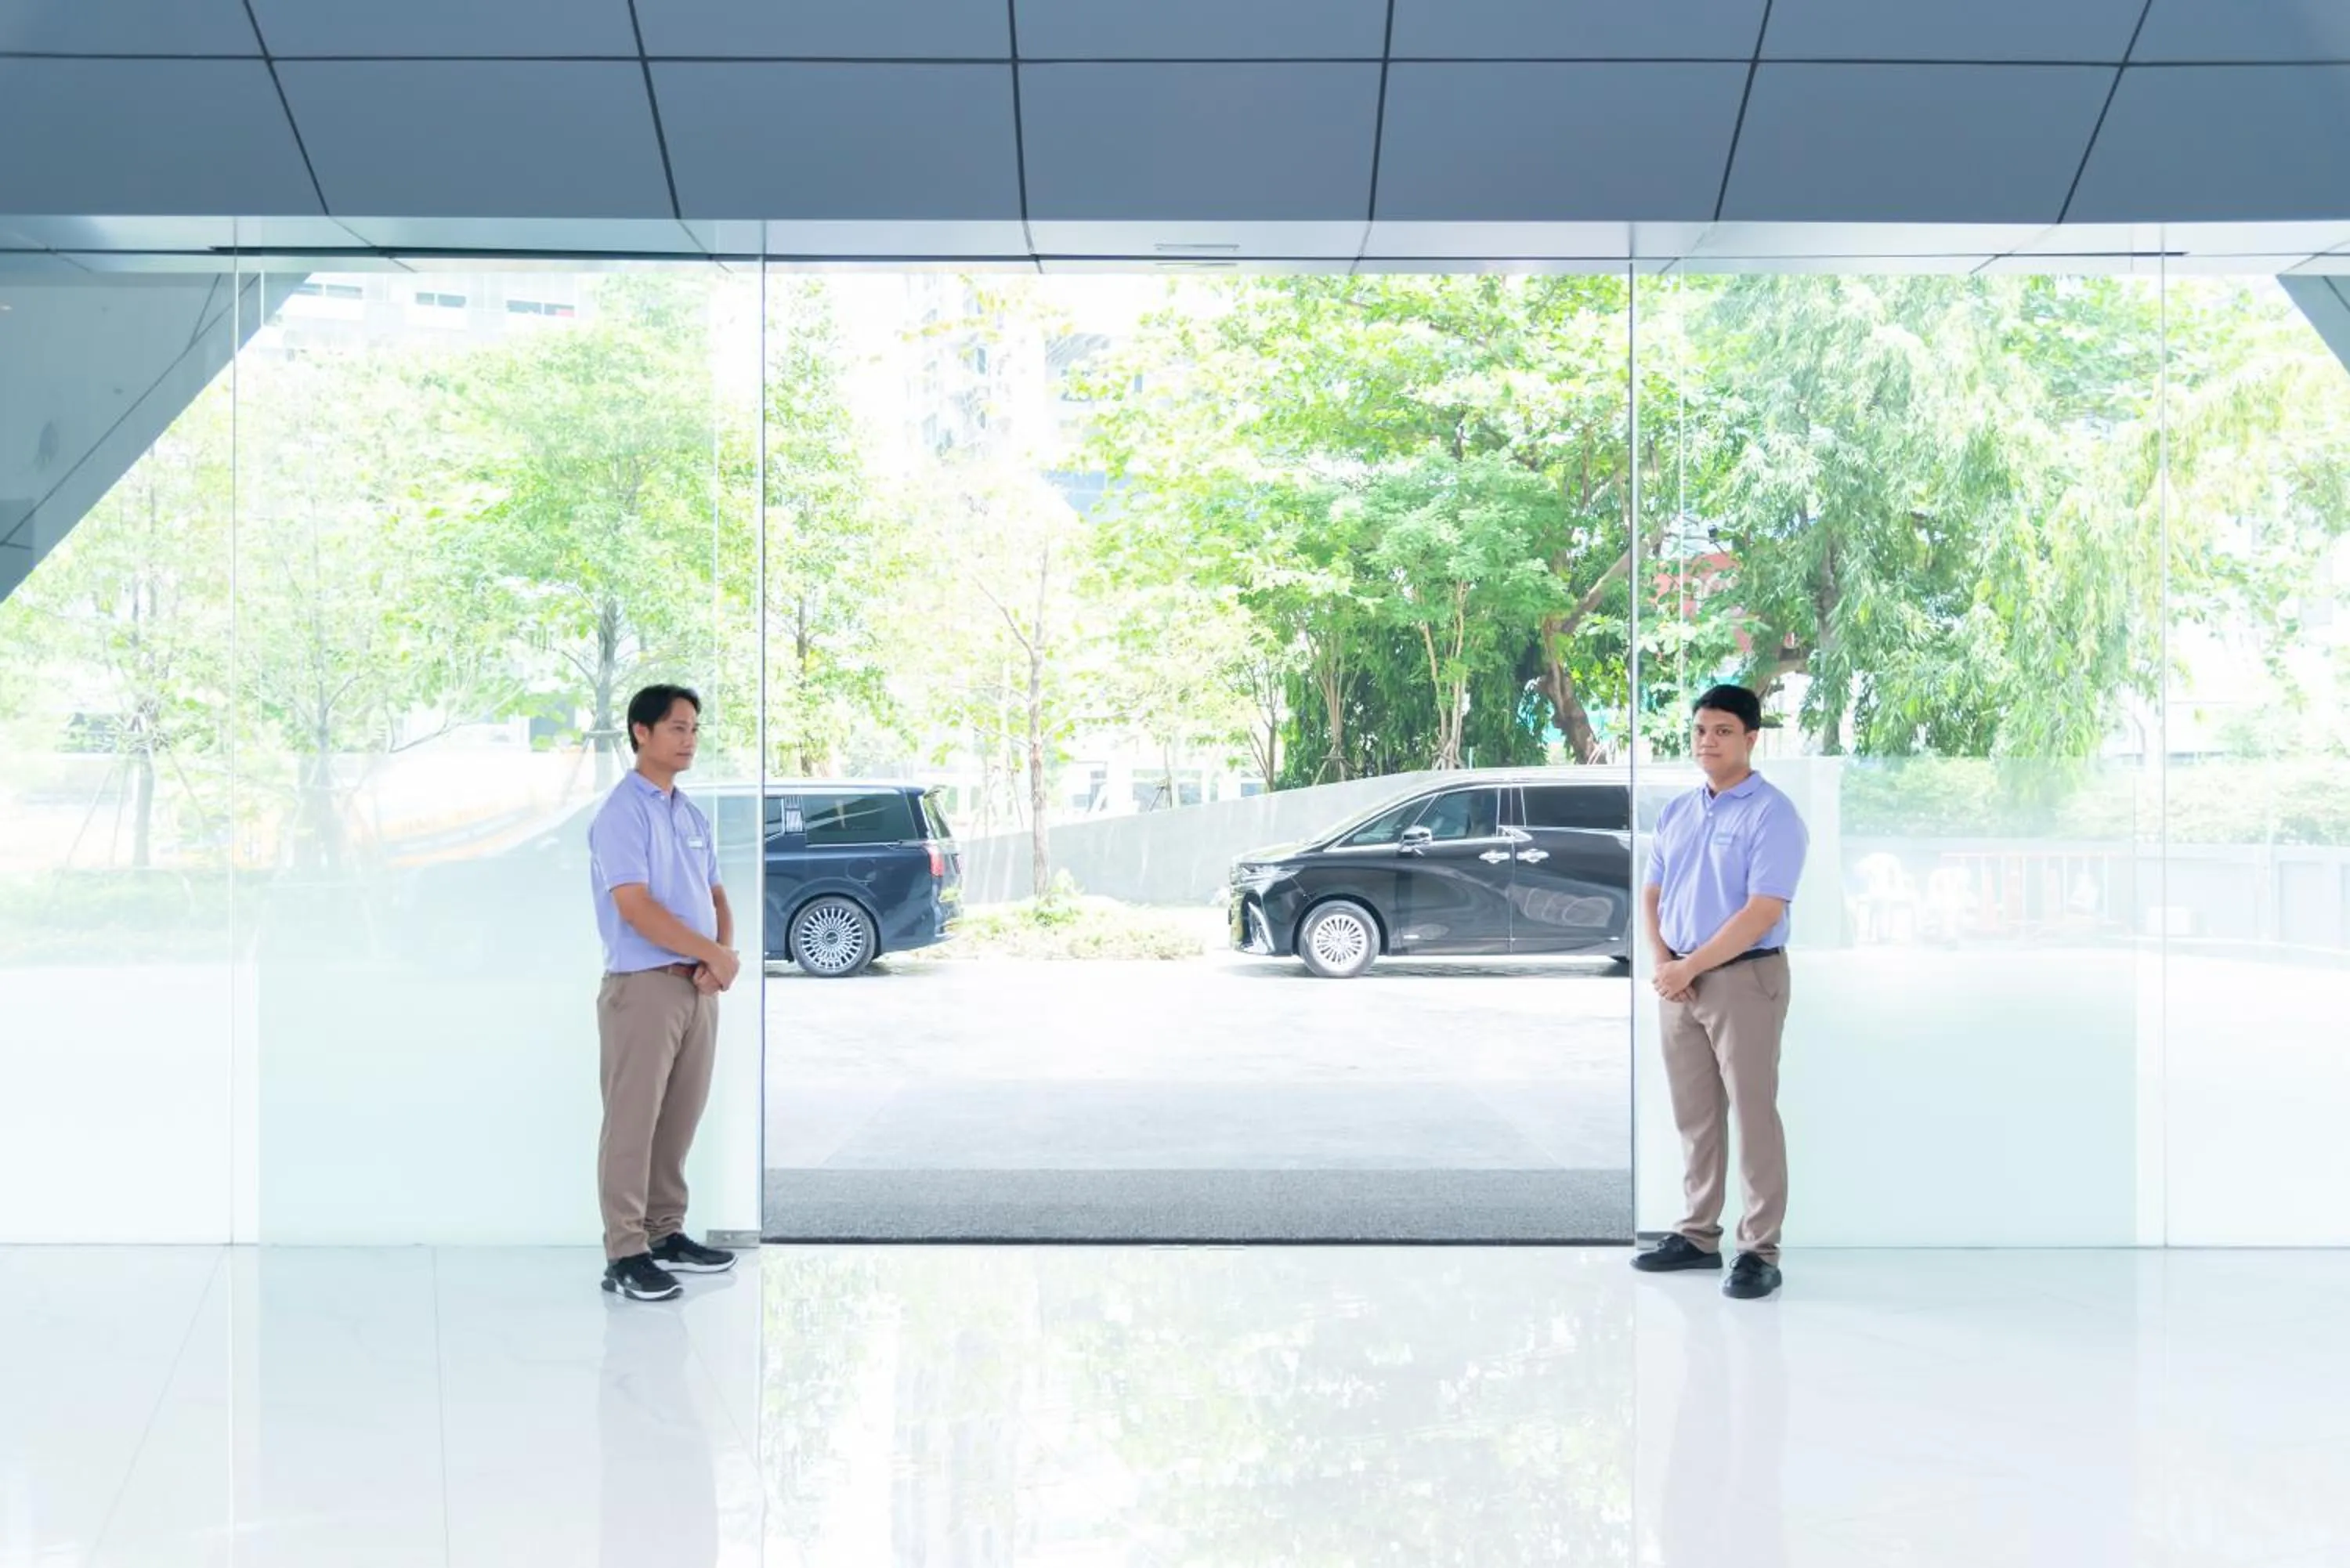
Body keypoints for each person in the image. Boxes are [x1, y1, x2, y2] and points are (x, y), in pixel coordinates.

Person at [1632, 685, 1810, 1301]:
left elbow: (1762, 911)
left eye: (1723, 731)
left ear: (1752, 738)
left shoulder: (1772, 814)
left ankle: (1759, 1250)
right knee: (1695, 1115)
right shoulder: (1680, 810)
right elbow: (1653, 892)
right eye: (1701, 729)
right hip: (1678, 981)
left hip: (1744, 978)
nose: (1708, 741)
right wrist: (1665, 963)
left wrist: (1691, 967)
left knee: (1754, 1114)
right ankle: (1697, 1236)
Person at [587, 684, 742, 1302]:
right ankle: (625, 1252)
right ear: (640, 733)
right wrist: (713, 955)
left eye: (695, 728)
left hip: (695, 989)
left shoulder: (689, 811)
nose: (690, 739)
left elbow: (717, 896)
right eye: (677, 728)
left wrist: (719, 959)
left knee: (678, 1120)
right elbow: (635, 907)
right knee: (632, 1124)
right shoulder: (622, 813)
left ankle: (664, 1233)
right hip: (644, 989)